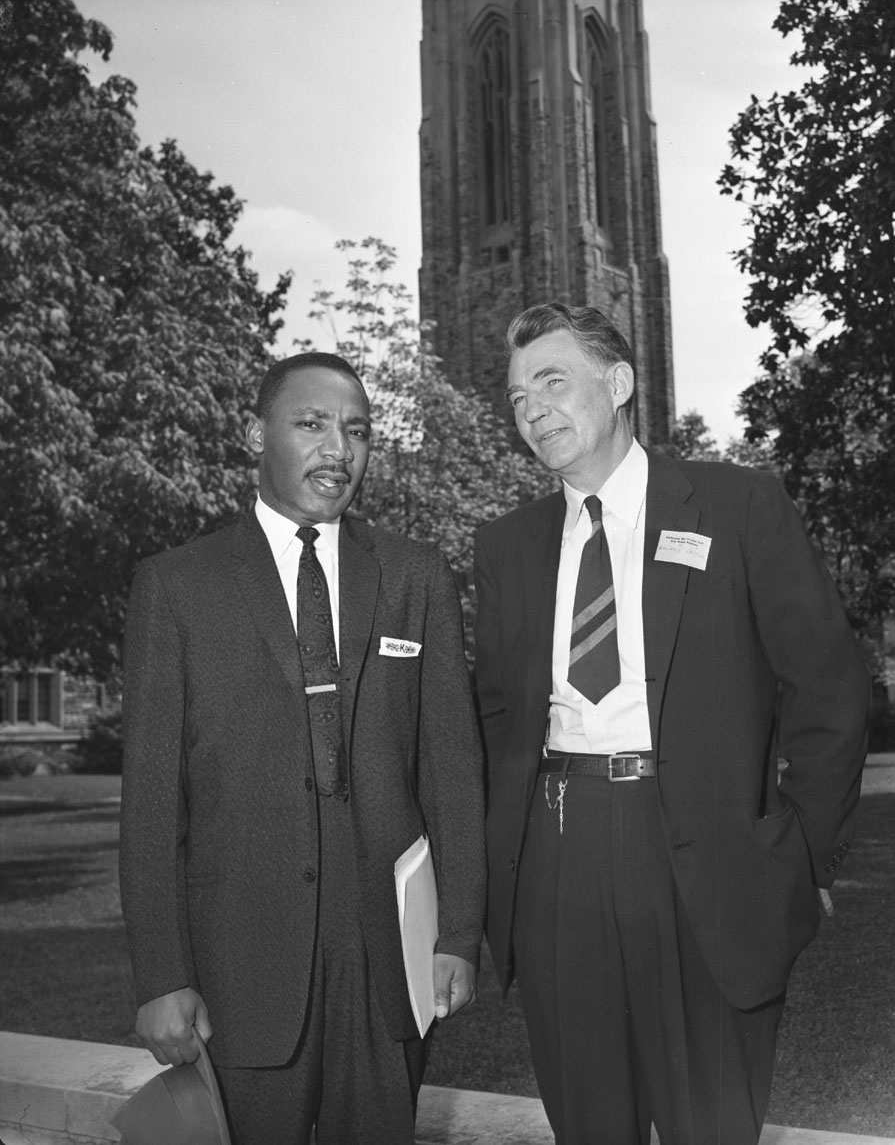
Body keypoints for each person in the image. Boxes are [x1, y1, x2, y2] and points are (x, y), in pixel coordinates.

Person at [473, 303, 869, 1145]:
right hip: (557, 861)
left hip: (708, 863)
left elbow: (827, 692)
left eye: (552, 382)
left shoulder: (737, 505)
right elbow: (496, 717)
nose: (531, 409)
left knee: (711, 1125)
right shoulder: (505, 546)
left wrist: (803, 853)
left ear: (616, 384)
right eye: (515, 397)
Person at [119, 352, 486, 1145]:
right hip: (239, 961)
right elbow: (150, 800)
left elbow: (451, 770)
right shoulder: (177, 585)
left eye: (356, 431)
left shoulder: (415, 576)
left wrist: (457, 933)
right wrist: (161, 976)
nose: (338, 449)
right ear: (258, 433)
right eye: (312, 424)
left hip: (388, 961)